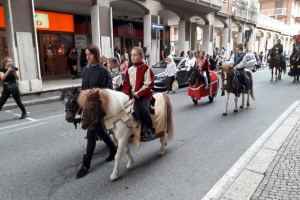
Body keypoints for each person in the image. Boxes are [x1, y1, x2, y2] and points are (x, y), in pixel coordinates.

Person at [76, 45, 117, 179]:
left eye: (90, 54)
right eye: (86, 54)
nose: (87, 57)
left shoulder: (104, 71)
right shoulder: (86, 70)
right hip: (89, 108)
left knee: (92, 133)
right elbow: (84, 88)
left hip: (99, 108)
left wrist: (96, 95)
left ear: (96, 55)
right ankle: (113, 149)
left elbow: (109, 91)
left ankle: (86, 165)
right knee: (99, 131)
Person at [123, 47, 155, 140]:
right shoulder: (130, 69)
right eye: (131, 55)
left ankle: (150, 129)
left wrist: (138, 94)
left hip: (144, 94)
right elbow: (126, 83)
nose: (132, 57)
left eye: (135, 55)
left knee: (143, 109)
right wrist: (125, 93)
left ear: (141, 56)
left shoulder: (146, 68)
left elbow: (148, 84)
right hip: (132, 95)